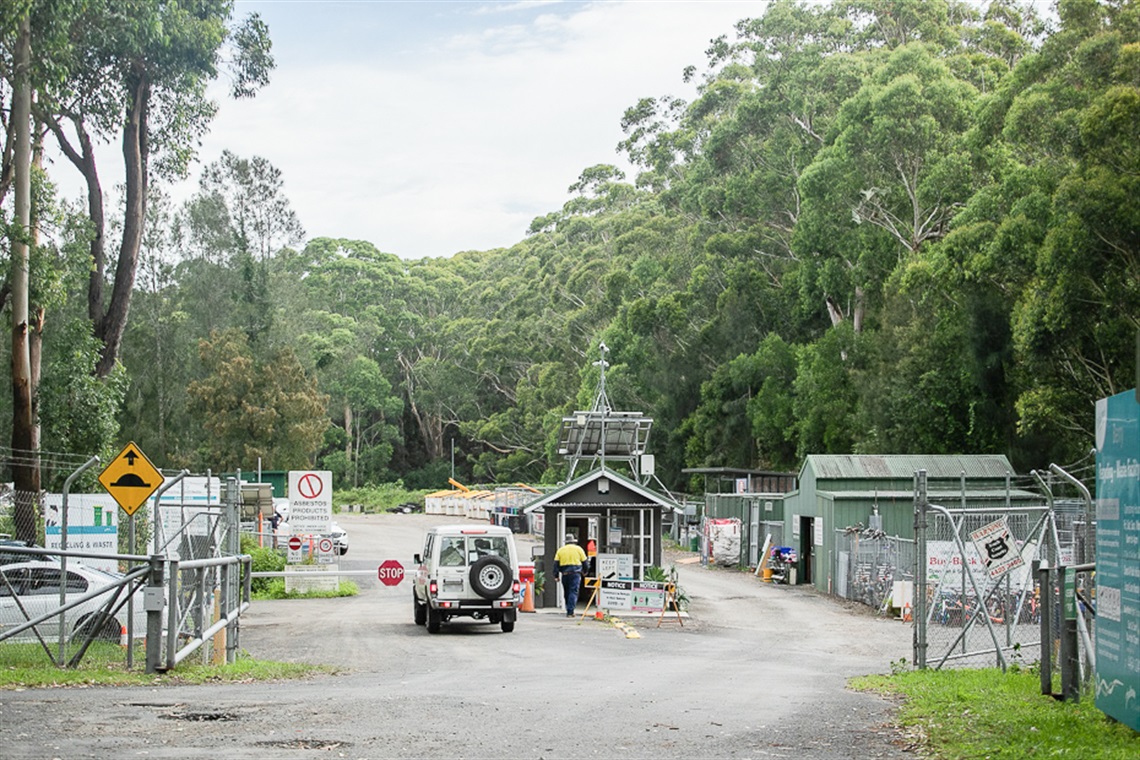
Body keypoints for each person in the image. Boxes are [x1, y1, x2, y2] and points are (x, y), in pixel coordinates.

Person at [553, 533, 588, 618]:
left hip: (565, 574)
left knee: (567, 592)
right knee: (573, 591)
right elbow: (585, 562)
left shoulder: (560, 550)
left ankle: (568, 608)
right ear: (573, 542)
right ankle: (570, 611)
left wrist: (556, 575)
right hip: (575, 574)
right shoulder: (579, 549)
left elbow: (555, 564)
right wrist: (585, 571)